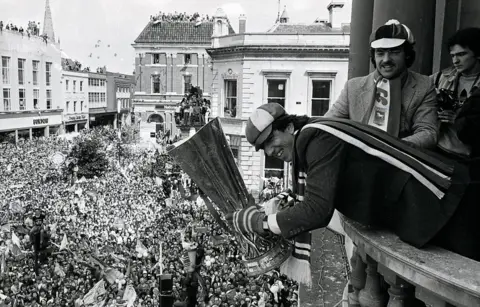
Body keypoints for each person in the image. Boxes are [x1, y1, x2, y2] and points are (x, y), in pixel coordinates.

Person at [228, 103, 480, 263]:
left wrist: (262, 223)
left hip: (441, 202)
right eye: (263, 148)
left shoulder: (315, 139)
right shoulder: (315, 133)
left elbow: (317, 210)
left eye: (271, 140)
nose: (271, 151)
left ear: (290, 127)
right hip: (434, 201)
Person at [325, 20, 438, 149]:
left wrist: (388, 149)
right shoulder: (353, 87)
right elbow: (329, 125)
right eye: (380, 53)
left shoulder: (424, 86)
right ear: (373, 56)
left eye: (394, 52)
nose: (386, 60)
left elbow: (428, 133)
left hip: (400, 160)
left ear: (407, 55)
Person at [432, 28, 480, 165]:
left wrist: (459, 119)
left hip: (470, 159)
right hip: (438, 151)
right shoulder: (441, 78)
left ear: (477, 54)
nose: (455, 60)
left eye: (461, 54)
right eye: (452, 56)